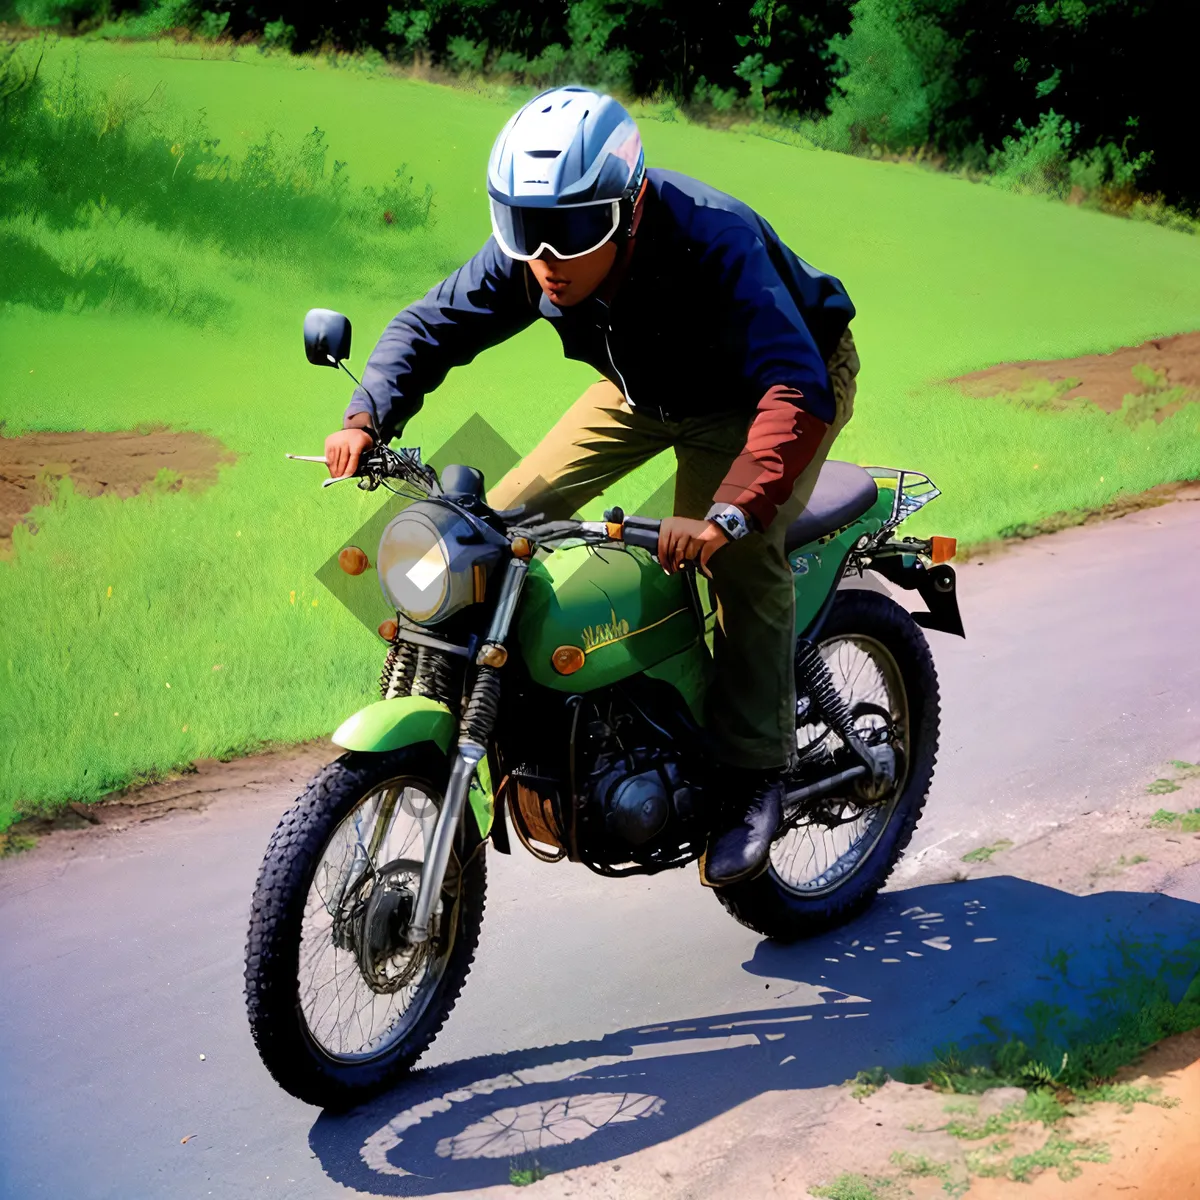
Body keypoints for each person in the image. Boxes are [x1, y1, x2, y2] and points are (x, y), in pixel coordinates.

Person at [325, 86, 859, 888]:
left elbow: (794, 386)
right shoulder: (538, 254)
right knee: (487, 528)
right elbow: (430, 324)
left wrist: (727, 513)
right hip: (642, 387)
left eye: (571, 231)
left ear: (629, 205)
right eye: (525, 229)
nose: (545, 258)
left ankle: (754, 777)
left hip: (766, 392)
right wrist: (368, 413)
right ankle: (508, 722)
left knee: (736, 560)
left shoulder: (715, 239)